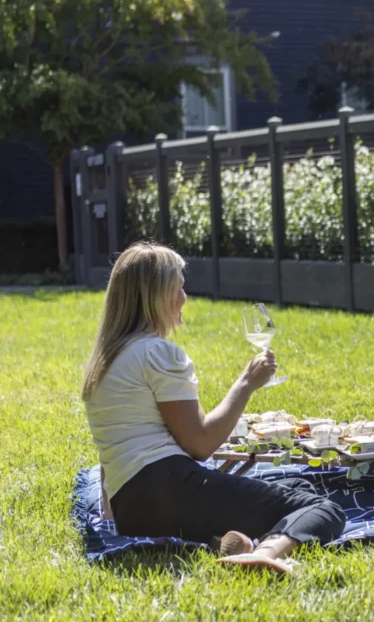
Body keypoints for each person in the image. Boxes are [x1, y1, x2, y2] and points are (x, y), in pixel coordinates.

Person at [82, 242, 345, 575]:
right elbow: (201, 444)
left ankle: (230, 541)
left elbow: (109, 452)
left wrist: (111, 516)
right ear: (157, 295)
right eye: (178, 287)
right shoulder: (158, 354)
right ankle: (265, 554)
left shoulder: (104, 362)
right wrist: (246, 383)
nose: (184, 297)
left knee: (296, 487)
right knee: (323, 507)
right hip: (170, 490)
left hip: (130, 507)